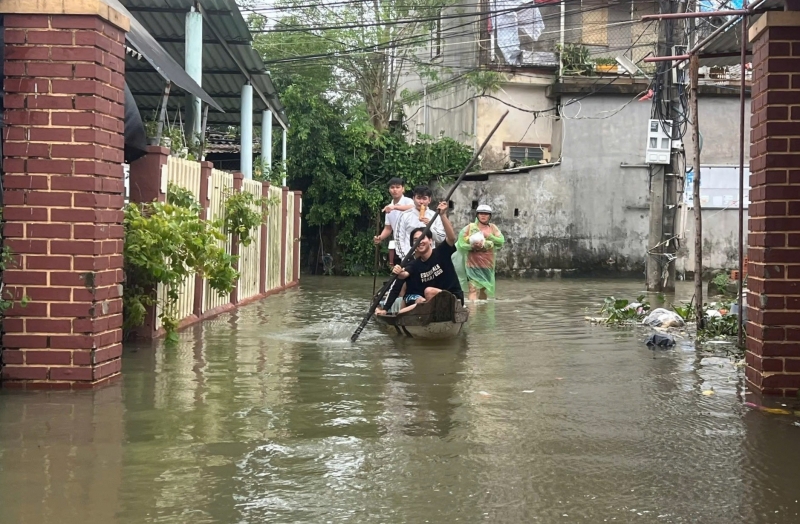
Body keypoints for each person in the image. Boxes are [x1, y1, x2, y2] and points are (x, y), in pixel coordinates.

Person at [377, 201, 461, 315]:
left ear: (431, 241)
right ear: (413, 245)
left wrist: (442, 215)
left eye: (423, 238)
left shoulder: (441, 252)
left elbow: (451, 238)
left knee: (429, 291)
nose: (420, 242)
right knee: (421, 296)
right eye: (416, 240)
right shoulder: (414, 264)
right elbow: (404, 275)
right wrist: (399, 272)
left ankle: (404, 312)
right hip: (430, 304)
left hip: (453, 299)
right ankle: (404, 313)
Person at [454, 204, 505, 301]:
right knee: (472, 289)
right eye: (481, 213)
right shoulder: (470, 227)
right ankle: (472, 314)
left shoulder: (493, 228)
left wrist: (489, 236)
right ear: (477, 215)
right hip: (472, 263)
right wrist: (472, 246)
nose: (483, 216)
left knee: (483, 290)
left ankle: (482, 314)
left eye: (486, 214)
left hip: (487, 264)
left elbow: (501, 241)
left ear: (490, 216)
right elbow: (461, 243)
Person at [393, 185, 446, 261]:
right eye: (418, 198)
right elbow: (398, 239)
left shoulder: (435, 216)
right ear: (413, 198)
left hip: (430, 258)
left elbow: (441, 238)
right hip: (410, 258)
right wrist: (405, 258)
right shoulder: (404, 215)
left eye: (424, 198)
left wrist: (429, 225)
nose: (421, 202)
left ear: (429, 200)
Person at [373, 177, 414, 264]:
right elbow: (388, 228)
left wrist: (395, 207)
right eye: (392, 187)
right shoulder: (389, 208)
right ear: (389, 190)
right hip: (398, 244)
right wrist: (380, 237)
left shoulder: (408, 201)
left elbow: (413, 207)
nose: (395, 190)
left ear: (403, 189)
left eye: (398, 187)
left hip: (412, 243)